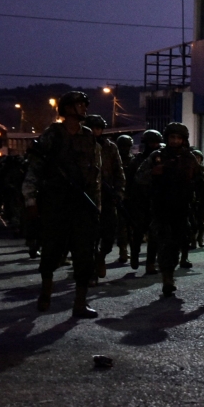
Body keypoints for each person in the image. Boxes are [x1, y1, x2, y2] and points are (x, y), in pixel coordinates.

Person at [22, 90, 101, 318]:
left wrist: (97, 204)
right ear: (67, 108)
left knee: (84, 255)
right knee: (51, 252)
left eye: (84, 105)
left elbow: (94, 173)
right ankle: (46, 293)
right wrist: (30, 199)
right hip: (56, 203)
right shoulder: (53, 134)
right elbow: (34, 169)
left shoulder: (88, 136)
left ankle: (80, 303)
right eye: (80, 105)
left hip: (81, 204)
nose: (84, 108)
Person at [137, 122, 204, 297]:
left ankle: (170, 272)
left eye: (178, 138)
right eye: (172, 137)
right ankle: (167, 278)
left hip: (182, 207)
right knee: (165, 242)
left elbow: (201, 181)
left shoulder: (189, 158)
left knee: (179, 241)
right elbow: (139, 177)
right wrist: (153, 172)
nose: (175, 141)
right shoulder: (157, 156)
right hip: (161, 207)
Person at [85, 115, 125, 284]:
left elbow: (119, 172)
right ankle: (91, 271)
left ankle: (101, 256)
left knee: (109, 235)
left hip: (107, 196)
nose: (96, 132)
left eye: (99, 128)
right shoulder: (80, 145)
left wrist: (119, 192)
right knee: (89, 236)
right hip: (87, 196)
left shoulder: (110, 147)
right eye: (93, 128)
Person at [126, 129, 162, 275]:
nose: (154, 145)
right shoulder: (136, 161)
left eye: (156, 143)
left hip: (155, 200)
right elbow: (130, 182)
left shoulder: (161, 159)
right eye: (151, 143)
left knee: (154, 234)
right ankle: (134, 255)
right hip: (139, 201)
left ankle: (150, 263)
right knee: (138, 232)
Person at [115, 134, 134, 263]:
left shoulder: (133, 160)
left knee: (131, 225)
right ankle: (123, 250)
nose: (125, 149)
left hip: (131, 196)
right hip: (118, 196)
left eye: (127, 146)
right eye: (123, 146)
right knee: (121, 226)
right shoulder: (115, 160)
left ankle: (130, 250)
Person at [190, 149, 204, 249]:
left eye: (198, 157)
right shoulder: (188, 168)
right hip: (191, 196)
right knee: (192, 220)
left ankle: (200, 237)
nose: (197, 159)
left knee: (202, 219)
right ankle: (192, 240)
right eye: (195, 157)